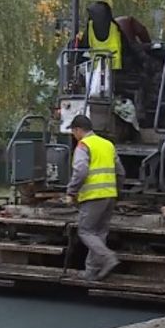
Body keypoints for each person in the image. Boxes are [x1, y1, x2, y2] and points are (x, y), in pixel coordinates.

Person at [65, 114, 125, 281]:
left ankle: (108, 257)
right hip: (109, 195)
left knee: (85, 231)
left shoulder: (83, 145)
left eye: (73, 132)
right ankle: (92, 272)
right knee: (99, 233)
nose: (73, 135)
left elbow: (81, 171)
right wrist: (116, 192)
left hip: (93, 196)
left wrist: (71, 191)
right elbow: (120, 172)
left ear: (77, 130)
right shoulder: (108, 145)